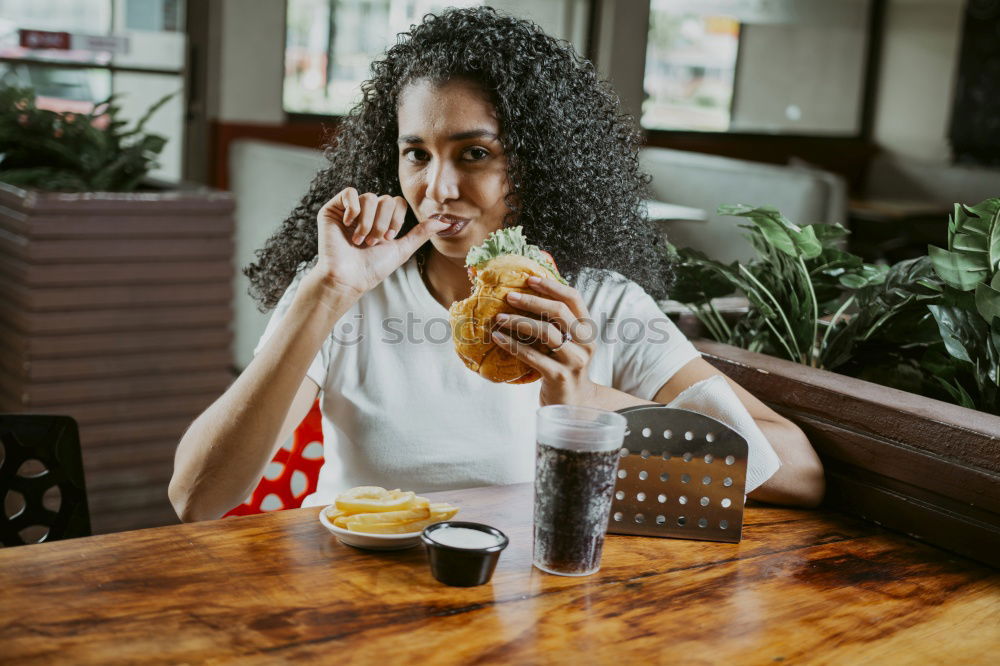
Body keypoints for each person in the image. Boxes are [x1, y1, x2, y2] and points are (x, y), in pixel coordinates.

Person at [169, 7, 824, 522]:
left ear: (534, 164)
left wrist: (581, 395)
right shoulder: (347, 296)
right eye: (417, 154)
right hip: (357, 605)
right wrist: (326, 289)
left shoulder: (603, 306)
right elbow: (197, 499)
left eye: (473, 154)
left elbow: (799, 473)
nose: (438, 187)